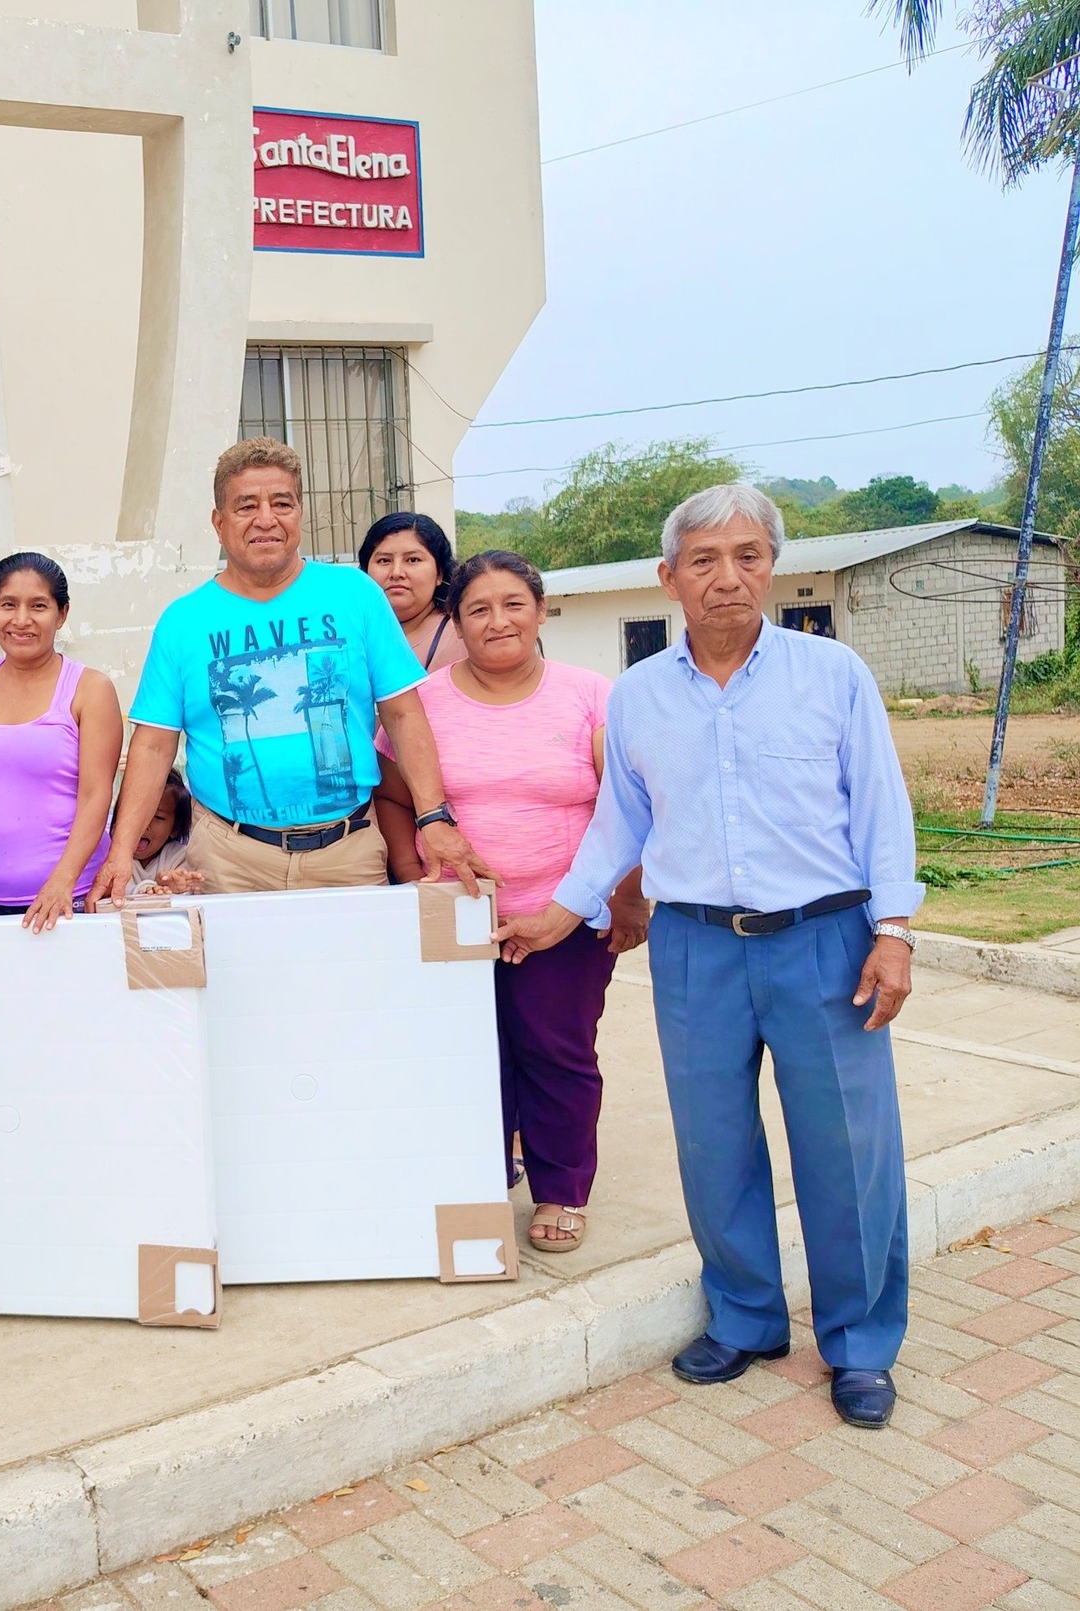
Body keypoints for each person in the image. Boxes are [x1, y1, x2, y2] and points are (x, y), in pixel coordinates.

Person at [494, 484, 921, 1430]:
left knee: (847, 1150)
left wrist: (893, 931)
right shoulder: (640, 694)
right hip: (693, 946)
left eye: (748, 555)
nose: (727, 577)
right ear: (669, 576)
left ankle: (859, 1343)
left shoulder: (832, 674)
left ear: (772, 567)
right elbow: (620, 824)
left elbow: (881, 808)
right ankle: (745, 1316)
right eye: (704, 559)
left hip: (825, 940)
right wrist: (556, 916)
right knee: (714, 1142)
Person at [374, 551, 647, 1253]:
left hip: (565, 916)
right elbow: (394, 799)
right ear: (457, 622)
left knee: (556, 1051)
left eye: (513, 604)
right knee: (468, 1055)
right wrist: (411, 878)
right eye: (479, 609)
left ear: (541, 610)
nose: (498, 621)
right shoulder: (422, 702)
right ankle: (480, 1180)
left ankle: (561, 1189)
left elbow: (626, 808)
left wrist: (626, 897)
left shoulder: (591, 695)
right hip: (456, 917)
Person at [89, 438, 486, 906]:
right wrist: (119, 853)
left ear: (300, 513)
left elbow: (403, 714)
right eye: (246, 506)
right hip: (229, 859)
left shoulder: (356, 595)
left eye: (282, 503)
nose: (266, 519)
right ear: (218, 522)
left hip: (348, 853)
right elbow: (154, 744)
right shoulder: (183, 622)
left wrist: (433, 818)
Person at [0, 553, 121, 931]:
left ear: (62, 614)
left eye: (39, 606)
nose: (21, 620)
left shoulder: (90, 689)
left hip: (72, 902)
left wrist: (61, 883)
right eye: (8, 605)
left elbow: (96, 796)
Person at [359, 511, 466, 675]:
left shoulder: (462, 636)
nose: (396, 572)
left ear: (439, 573)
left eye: (413, 560)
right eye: (384, 560)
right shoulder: (349, 632)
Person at [125, 768, 202, 896]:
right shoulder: (113, 854)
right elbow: (113, 889)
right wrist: (146, 889)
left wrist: (174, 888)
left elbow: (191, 890)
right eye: (135, 813)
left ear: (175, 828)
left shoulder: (181, 857)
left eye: (158, 817)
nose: (144, 824)